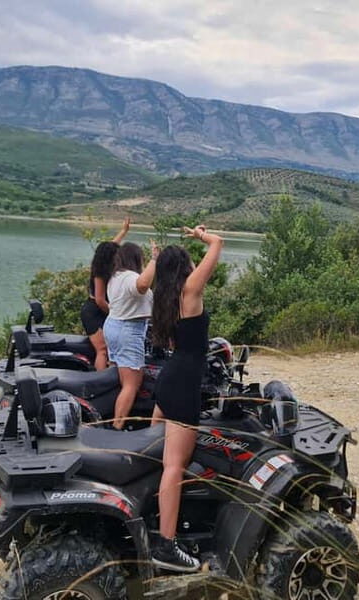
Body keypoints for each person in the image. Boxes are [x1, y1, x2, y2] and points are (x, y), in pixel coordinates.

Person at [149, 225, 223, 572]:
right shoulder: (190, 291)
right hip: (181, 387)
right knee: (174, 466)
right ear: (184, 267)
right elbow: (218, 245)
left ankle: (152, 512)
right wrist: (202, 235)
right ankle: (166, 545)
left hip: (168, 382)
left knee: (154, 456)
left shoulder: (164, 297)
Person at [103, 239, 158, 429]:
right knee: (131, 383)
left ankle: (111, 416)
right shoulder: (128, 277)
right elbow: (142, 285)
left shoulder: (115, 277)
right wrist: (155, 260)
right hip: (128, 329)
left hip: (114, 325)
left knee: (120, 378)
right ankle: (117, 426)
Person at [79, 218, 131, 371]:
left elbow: (111, 246)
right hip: (94, 311)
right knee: (102, 350)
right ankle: (100, 380)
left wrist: (124, 231)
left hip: (102, 311)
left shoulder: (103, 263)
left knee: (110, 348)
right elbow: (100, 300)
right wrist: (116, 315)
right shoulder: (100, 272)